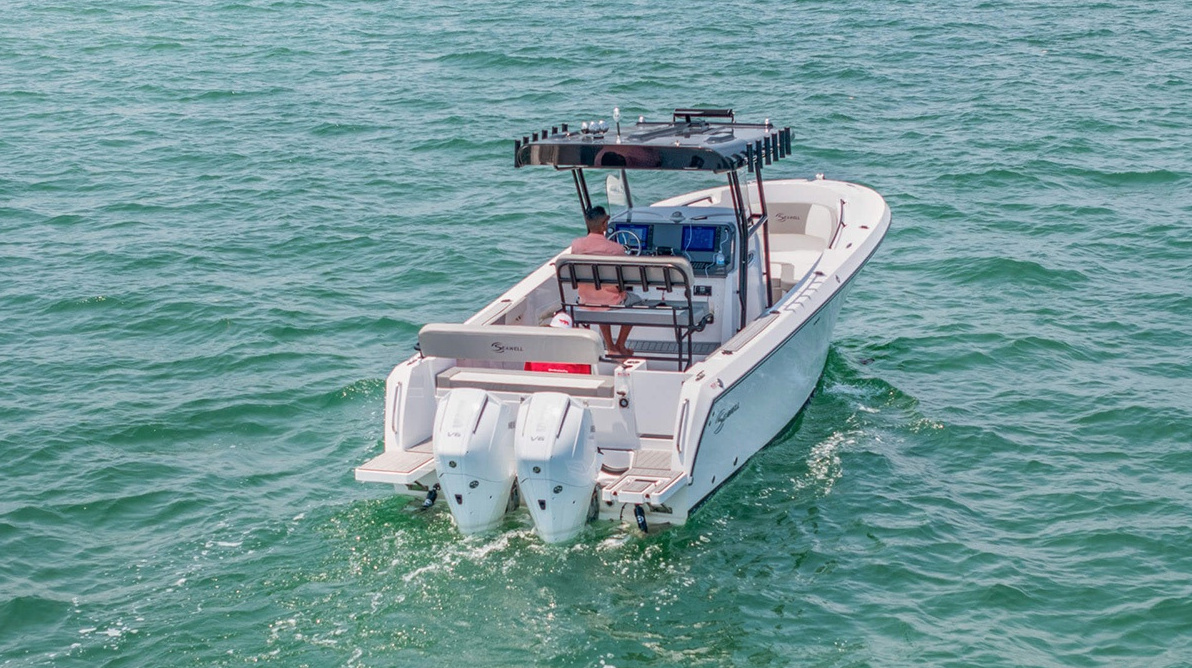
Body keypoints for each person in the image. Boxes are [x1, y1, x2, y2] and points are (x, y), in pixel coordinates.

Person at [570, 206, 642, 356]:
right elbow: (628, 276)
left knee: (600, 296)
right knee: (637, 301)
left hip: (585, 299)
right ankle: (620, 344)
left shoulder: (576, 245)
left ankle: (610, 346)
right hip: (611, 300)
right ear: (604, 225)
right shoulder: (616, 249)